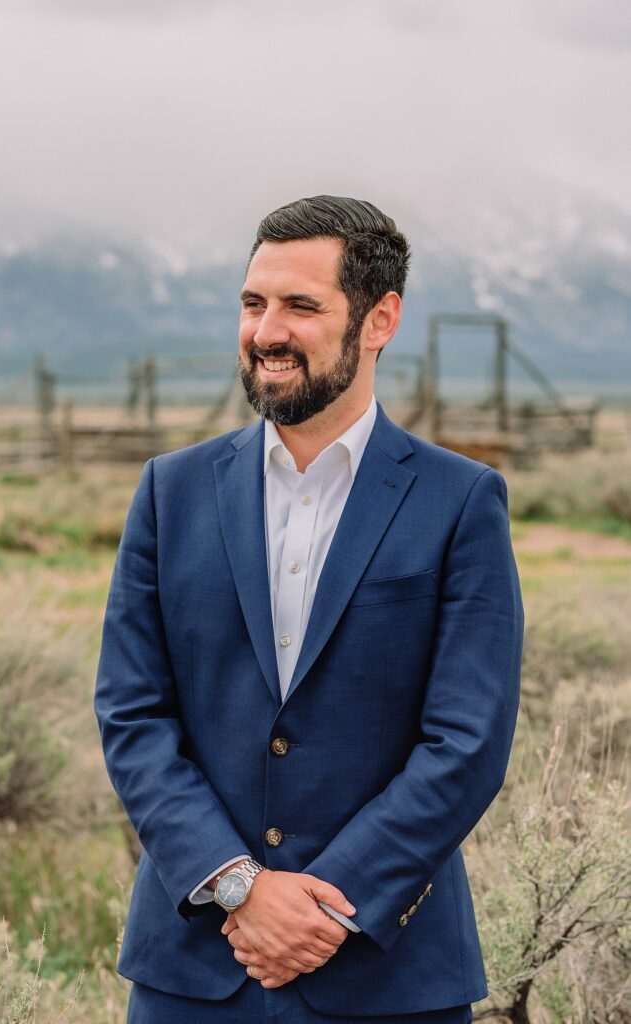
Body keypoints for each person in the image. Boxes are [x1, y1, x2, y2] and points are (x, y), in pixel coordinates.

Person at [94, 195, 523, 1024]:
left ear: (379, 319)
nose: (267, 332)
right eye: (253, 303)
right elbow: (132, 711)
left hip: (388, 976)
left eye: (300, 305)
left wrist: (326, 906)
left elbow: (468, 740)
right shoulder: (169, 493)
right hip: (196, 972)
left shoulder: (461, 501)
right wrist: (240, 886)